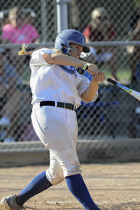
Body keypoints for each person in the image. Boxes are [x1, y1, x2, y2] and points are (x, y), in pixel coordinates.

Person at [1, 29, 104, 210]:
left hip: (70, 117)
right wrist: (86, 65)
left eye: (81, 48)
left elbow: (88, 97)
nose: (80, 51)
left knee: (56, 174)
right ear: (64, 44)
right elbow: (55, 59)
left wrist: (95, 79)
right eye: (76, 47)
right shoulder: (42, 54)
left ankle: (16, 201)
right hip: (48, 111)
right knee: (71, 166)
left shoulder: (76, 75)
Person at [1, 6, 40, 77]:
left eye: (20, 18)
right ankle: (19, 79)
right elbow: (5, 41)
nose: (18, 20)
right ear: (10, 19)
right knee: (18, 53)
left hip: (29, 49)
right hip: (15, 49)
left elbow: (37, 39)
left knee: (41, 50)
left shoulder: (29, 27)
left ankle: (38, 77)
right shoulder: (8, 28)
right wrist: (14, 46)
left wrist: (37, 45)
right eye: (15, 19)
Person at [83, 7, 118, 80]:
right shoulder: (90, 26)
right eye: (99, 18)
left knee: (114, 53)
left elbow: (111, 43)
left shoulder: (109, 27)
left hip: (104, 50)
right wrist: (99, 48)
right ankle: (89, 78)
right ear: (94, 19)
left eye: (104, 18)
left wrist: (104, 31)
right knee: (91, 54)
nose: (102, 20)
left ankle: (114, 77)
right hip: (94, 51)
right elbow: (87, 42)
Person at [127, 0, 140, 83]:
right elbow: (132, 35)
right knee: (132, 51)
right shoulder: (134, 16)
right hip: (135, 42)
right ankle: (133, 75)